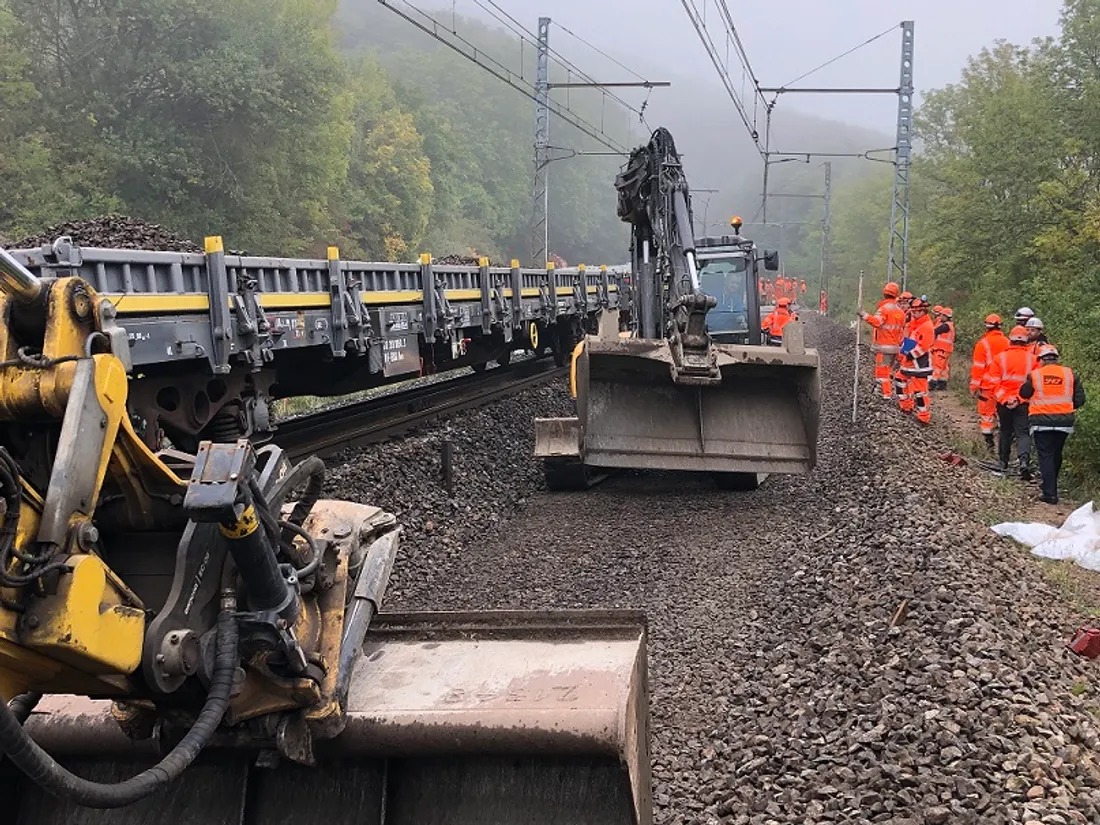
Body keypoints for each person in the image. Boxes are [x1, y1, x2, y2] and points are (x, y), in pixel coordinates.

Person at [1020, 344, 1086, 504]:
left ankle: (1050, 493)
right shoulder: (1070, 374)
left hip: (1041, 420)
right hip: (1064, 421)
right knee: (1056, 453)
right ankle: (1050, 485)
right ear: (1056, 358)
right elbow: (1080, 400)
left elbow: (1024, 393)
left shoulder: (1035, 375)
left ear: (1041, 360)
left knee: (1046, 455)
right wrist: (1065, 408)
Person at [987, 325, 1035, 478]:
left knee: (1005, 431)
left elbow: (993, 382)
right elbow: (1034, 384)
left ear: (1010, 341)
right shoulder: (1033, 360)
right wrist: (1019, 399)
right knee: (1023, 433)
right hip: (1023, 402)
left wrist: (1005, 399)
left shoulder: (999, 358)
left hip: (1004, 402)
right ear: (1026, 342)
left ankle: (1003, 462)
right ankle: (1024, 462)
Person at [858, 281, 906, 399]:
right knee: (888, 372)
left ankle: (885, 395)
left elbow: (877, 322)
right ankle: (886, 393)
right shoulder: (900, 312)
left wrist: (863, 314)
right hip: (895, 348)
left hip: (884, 347)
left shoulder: (884, 309)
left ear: (884, 293)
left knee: (882, 373)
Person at [969, 314, 1009, 452]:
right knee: (1003, 414)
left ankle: (989, 443)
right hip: (1004, 386)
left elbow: (978, 367)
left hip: (987, 386)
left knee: (987, 414)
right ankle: (1005, 444)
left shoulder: (983, 344)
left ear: (986, 327)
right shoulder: (1008, 342)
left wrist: (974, 386)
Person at [897, 296, 935, 424]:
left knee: (920, 392)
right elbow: (909, 340)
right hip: (909, 362)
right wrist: (902, 354)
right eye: (912, 311)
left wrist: (908, 355)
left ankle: (923, 416)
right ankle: (906, 406)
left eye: (916, 311)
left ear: (923, 311)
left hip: (920, 364)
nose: (913, 313)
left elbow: (923, 346)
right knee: (900, 379)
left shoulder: (927, 326)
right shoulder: (915, 324)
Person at [930, 306, 955, 390]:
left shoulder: (946, 326)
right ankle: (942, 383)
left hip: (941, 349)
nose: (941, 317)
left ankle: (932, 383)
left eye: (942, 315)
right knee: (944, 368)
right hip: (945, 350)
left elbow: (935, 331)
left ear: (946, 316)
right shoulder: (949, 325)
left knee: (937, 366)